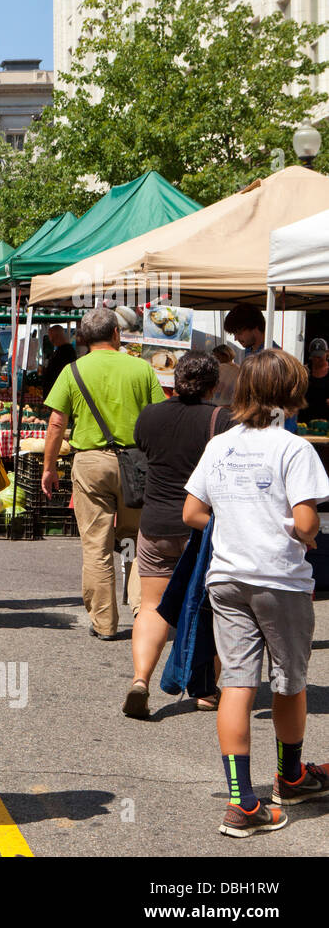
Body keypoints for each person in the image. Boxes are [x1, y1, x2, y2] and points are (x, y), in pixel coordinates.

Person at [183, 349, 329, 837]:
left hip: (226, 578)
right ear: (291, 393)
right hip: (279, 580)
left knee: (238, 685)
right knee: (289, 680)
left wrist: (235, 526)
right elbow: (307, 522)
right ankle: (290, 776)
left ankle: (241, 802)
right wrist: (302, 534)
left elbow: (192, 513)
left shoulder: (220, 444)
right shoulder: (294, 447)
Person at [42, 307, 165, 640]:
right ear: (116, 334)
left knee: (95, 544)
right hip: (137, 463)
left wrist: (49, 467)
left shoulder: (73, 370)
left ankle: (105, 623)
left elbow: (56, 423)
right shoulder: (141, 369)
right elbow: (158, 419)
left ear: (82, 338)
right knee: (138, 541)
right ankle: (144, 612)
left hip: (92, 463)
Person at [121, 351, 231, 719]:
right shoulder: (222, 420)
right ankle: (205, 690)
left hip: (155, 524)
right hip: (203, 527)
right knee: (211, 608)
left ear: (174, 380)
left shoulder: (149, 416)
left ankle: (140, 679)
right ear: (214, 385)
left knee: (152, 606)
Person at [41, 325, 77, 399]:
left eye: (50, 336)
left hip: (59, 395)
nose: (50, 340)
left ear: (55, 336)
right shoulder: (62, 350)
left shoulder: (67, 351)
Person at [301, 338, 329, 422]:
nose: (316, 359)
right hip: (305, 419)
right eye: (314, 356)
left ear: (327, 353)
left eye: (320, 357)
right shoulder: (304, 371)